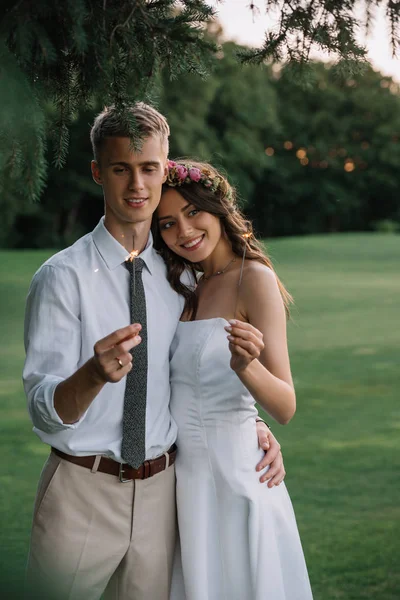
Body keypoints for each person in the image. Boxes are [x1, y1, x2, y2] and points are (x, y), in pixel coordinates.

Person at [23, 103, 286, 600]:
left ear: (165, 170)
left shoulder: (183, 276)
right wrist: (92, 375)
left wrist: (250, 422)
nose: (137, 185)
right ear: (99, 172)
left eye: (149, 169)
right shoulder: (62, 278)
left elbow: (194, 370)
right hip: (83, 491)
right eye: (121, 169)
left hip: (166, 496)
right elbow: (43, 412)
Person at [154, 160, 313, 600]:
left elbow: (284, 405)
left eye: (192, 212)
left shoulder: (254, 279)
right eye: (167, 223)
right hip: (185, 485)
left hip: (237, 479)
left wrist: (246, 367)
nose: (183, 231)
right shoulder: (185, 284)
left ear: (218, 207)